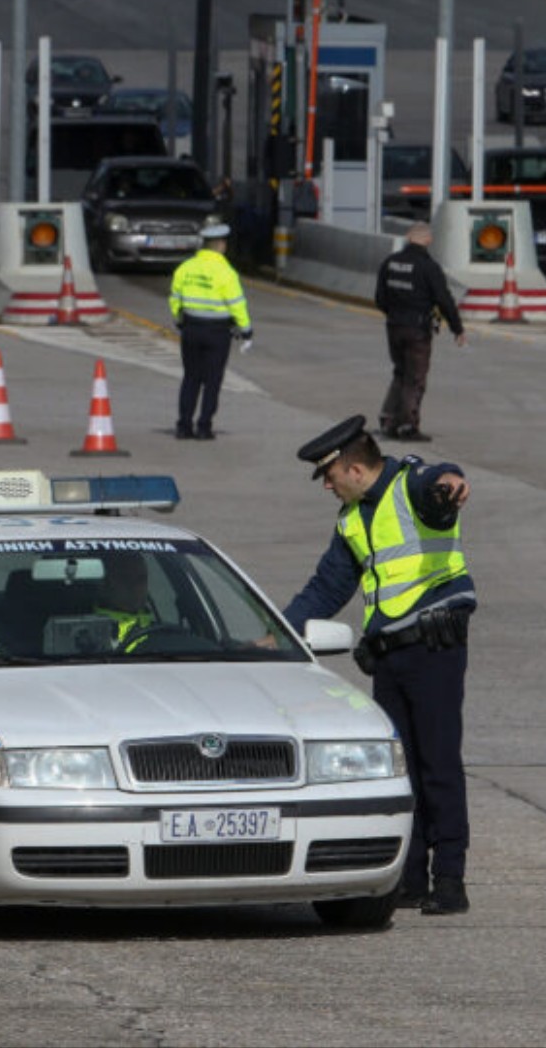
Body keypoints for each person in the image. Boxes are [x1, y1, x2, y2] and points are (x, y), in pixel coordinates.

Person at [282, 415, 477, 916]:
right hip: (388, 656)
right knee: (404, 769)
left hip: (434, 650)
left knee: (438, 765)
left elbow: (440, 481)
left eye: (329, 475)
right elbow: (326, 587)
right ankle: (410, 878)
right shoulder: (350, 519)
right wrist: (277, 633)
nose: (326, 485)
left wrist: (450, 483)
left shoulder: (411, 486)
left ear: (353, 468)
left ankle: (450, 880)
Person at [374, 222, 466, 443]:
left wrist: (395, 313)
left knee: (400, 372)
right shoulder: (428, 266)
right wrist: (457, 328)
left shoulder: (390, 262)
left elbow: (380, 298)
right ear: (428, 240)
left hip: (394, 325)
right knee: (415, 378)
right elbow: (444, 299)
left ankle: (389, 418)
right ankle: (407, 425)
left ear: (408, 237)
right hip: (417, 329)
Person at [168, 218, 251, 440]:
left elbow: (175, 298)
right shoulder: (226, 272)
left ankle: (184, 426)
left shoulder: (186, 268)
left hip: (191, 329)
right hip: (217, 333)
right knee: (212, 381)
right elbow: (237, 304)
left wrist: (179, 319)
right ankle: (204, 427)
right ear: (221, 245)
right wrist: (246, 330)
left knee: (191, 377)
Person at [94, 554, 154, 650]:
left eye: (141, 578)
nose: (136, 587)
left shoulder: (162, 632)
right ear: (105, 583)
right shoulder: (92, 632)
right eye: (126, 578)